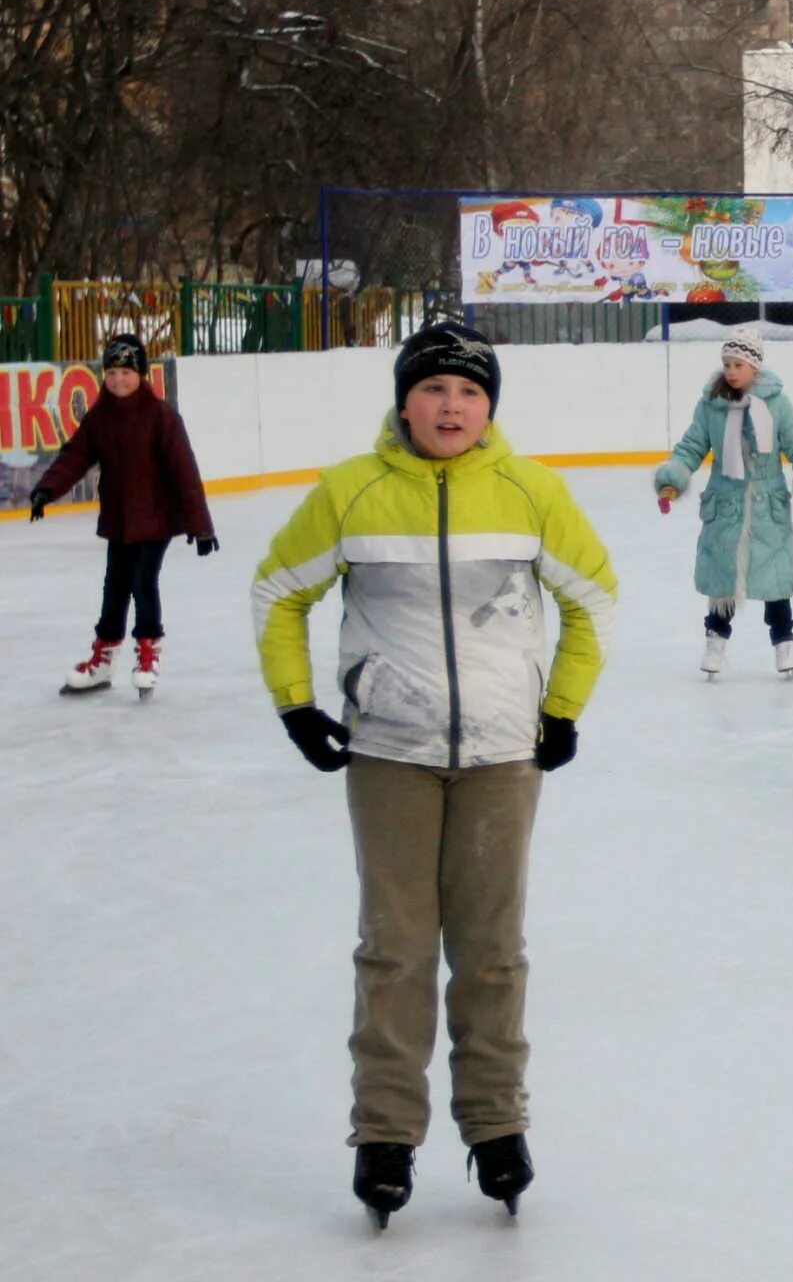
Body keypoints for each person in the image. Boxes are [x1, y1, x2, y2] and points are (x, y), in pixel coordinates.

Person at [250, 323, 618, 1226]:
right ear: (403, 399)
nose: (451, 406)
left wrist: (562, 709)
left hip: (502, 758)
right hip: (389, 758)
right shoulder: (353, 491)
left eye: (469, 391)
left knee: (492, 951)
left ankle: (496, 1126)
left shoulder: (531, 492)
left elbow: (594, 597)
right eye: (433, 389)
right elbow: (278, 590)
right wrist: (298, 703)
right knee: (396, 949)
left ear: (490, 406)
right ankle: (384, 1134)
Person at [32, 332, 217, 698]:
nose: (118, 379)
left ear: (142, 374)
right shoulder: (100, 417)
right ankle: (102, 660)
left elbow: (185, 474)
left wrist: (201, 526)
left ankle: (148, 653)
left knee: (142, 581)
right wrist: (47, 489)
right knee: (114, 586)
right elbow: (75, 456)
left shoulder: (162, 418)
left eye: (126, 372)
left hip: (156, 518)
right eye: (112, 371)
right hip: (119, 519)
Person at [653, 334, 793, 678]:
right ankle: (715, 643)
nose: (731, 372)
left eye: (739, 365)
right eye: (727, 365)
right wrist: (673, 479)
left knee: (775, 582)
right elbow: (691, 446)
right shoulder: (711, 405)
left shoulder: (777, 405)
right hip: (726, 505)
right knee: (723, 582)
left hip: (768, 507)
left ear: (755, 366)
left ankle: (784, 643)